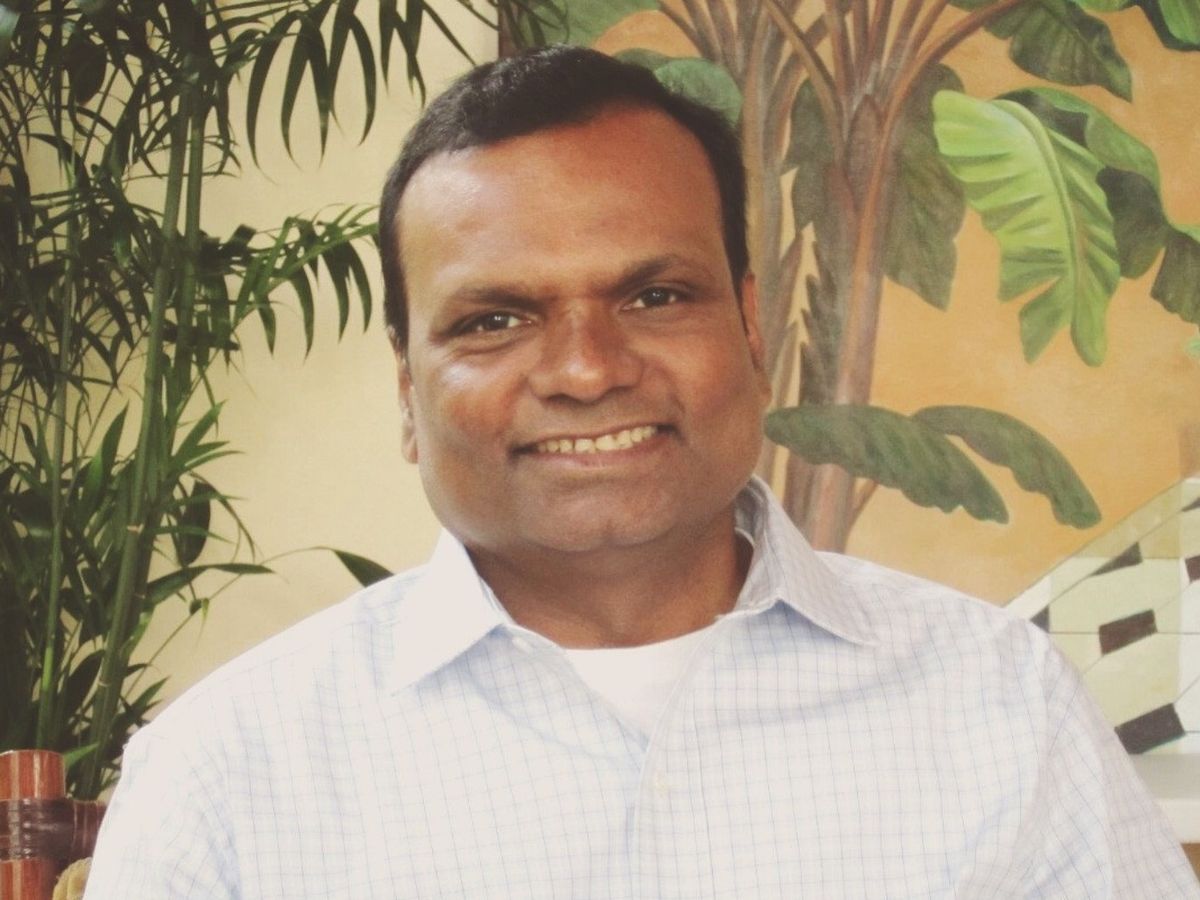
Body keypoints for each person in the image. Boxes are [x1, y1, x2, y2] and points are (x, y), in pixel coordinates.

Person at [84, 46, 1197, 898]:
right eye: (494, 319)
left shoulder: (999, 701)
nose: (586, 369)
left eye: (655, 296)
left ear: (750, 326)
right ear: (407, 389)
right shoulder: (226, 772)